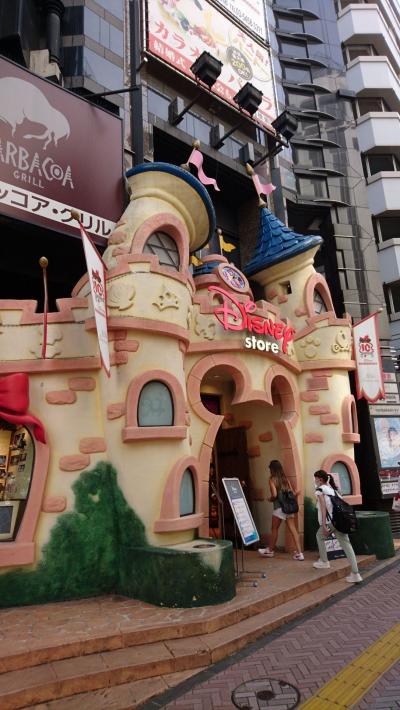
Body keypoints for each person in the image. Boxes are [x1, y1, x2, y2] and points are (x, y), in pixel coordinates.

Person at [313, 469, 362, 584]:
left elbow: (323, 508)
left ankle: (324, 561)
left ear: (320, 479)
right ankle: (356, 573)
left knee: (319, 536)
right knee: (347, 545)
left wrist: (324, 525)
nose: (314, 481)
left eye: (315, 479)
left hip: (331, 522)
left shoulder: (320, 490)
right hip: (339, 522)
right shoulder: (333, 490)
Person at [259, 459, 304, 561]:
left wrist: (270, 499)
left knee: (274, 529)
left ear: (272, 469)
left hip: (279, 508)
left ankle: (270, 550)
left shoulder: (272, 479)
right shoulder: (285, 479)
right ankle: (300, 553)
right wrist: (297, 493)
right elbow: (292, 493)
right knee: (293, 529)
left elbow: (274, 495)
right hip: (289, 508)